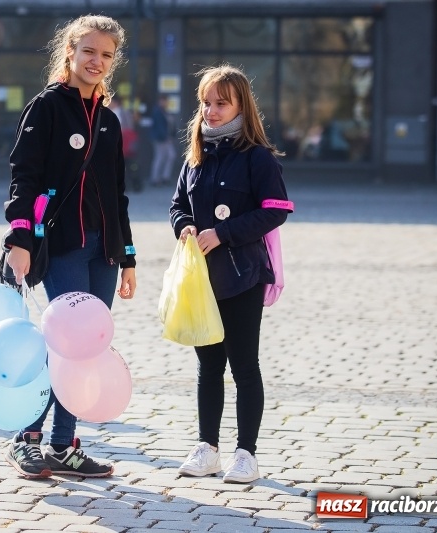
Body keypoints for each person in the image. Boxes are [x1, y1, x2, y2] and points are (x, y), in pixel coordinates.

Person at [3, 15, 137, 479]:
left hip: (103, 251)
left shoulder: (109, 120)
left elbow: (118, 194)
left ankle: (63, 445)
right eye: (89, 52)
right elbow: (24, 177)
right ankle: (27, 438)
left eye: (106, 55)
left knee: (87, 351)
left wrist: (128, 259)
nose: (97, 61)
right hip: (59, 246)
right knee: (62, 345)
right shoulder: (46, 108)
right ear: (70, 53)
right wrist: (19, 239)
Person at [170, 64, 291, 483]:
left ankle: (246, 454)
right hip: (202, 278)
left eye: (222, 102)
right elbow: (177, 204)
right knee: (207, 366)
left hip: (244, 275)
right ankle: (207, 449)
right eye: (206, 102)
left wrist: (222, 233)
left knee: (243, 364)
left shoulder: (258, 157)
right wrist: (183, 224)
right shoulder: (196, 157)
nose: (212, 110)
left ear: (242, 105)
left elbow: (276, 211)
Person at [149, 94, 177, 186]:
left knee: (169, 156)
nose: (166, 103)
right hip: (161, 139)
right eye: (164, 101)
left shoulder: (165, 112)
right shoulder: (157, 112)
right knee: (160, 157)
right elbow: (160, 126)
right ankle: (156, 178)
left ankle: (164, 177)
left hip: (166, 138)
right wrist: (166, 137)